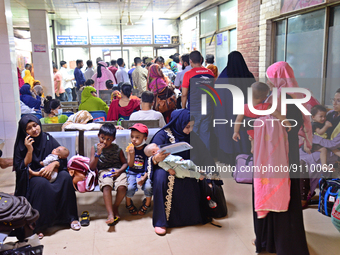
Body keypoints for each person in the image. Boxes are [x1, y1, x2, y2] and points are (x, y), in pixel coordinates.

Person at [252, 61, 310, 254]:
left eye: (270, 75)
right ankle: (288, 240)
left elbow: (269, 121)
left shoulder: (277, 97)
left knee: (270, 186)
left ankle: (269, 239)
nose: (268, 79)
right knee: (289, 191)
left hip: (274, 153)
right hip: (290, 150)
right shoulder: (300, 95)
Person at [146, 109, 219, 235]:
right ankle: (161, 221)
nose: (189, 130)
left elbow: (204, 154)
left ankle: (192, 216)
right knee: (160, 177)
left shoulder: (192, 136)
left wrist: (211, 176)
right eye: (187, 126)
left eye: (192, 126)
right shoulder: (162, 135)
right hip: (167, 167)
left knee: (196, 172)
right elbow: (151, 156)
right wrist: (156, 159)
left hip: (184, 166)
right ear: (178, 123)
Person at [13, 115, 80, 236]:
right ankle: (38, 225)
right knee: (41, 184)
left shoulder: (48, 139)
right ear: (24, 131)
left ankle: (70, 218)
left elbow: (63, 157)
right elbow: (20, 167)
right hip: (32, 176)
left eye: (35, 125)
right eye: (29, 128)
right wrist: (29, 150)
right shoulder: (21, 144)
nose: (34, 129)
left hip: (52, 171)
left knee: (65, 177)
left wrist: (54, 164)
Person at [214, 51, 256, 164]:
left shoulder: (222, 78)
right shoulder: (248, 76)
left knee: (229, 132)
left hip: (226, 113)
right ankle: (246, 155)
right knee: (244, 131)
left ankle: (231, 158)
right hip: (245, 112)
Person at [300, 89, 340, 207]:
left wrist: (312, 139)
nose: (334, 103)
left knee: (304, 162)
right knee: (295, 156)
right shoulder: (330, 114)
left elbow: (333, 144)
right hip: (321, 147)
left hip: (332, 151)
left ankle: (304, 196)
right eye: (334, 99)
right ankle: (299, 192)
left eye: (338, 101)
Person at [232, 82, 291, 153]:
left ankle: (253, 149)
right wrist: (286, 122)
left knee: (253, 140)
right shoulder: (265, 107)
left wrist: (236, 132)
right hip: (263, 133)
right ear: (265, 97)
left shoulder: (244, 108)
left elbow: (238, 120)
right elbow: (277, 114)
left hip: (252, 132)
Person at [89, 123, 128, 226]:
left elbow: (125, 163)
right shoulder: (95, 148)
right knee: (107, 186)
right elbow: (92, 167)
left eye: (109, 139)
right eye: (102, 138)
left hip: (118, 171)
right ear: (98, 136)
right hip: (104, 171)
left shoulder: (117, 149)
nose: (105, 141)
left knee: (122, 187)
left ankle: (115, 207)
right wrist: (98, 153)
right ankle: (110, 213)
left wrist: (119, 171)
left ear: (114, 139)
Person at [181, 50, 215, 151]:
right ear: (201, 60)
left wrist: (183, 108)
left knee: (194, 134)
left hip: (194, 109)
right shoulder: (210, 73)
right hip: (207, 107)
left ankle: (196, 158)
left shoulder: (188, 74)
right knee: (205, 133)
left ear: (190, 61)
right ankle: (206, 159)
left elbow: (184, 94)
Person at [125, 124, 152, 216]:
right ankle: (128, 203)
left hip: (145, 173)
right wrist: (131, 154)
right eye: (132, 137)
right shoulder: (130, 148)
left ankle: (147, 203)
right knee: (129, 188)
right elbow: (130, 165)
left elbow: (149, 166)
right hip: (132, 172)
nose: (133, 140)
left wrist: (144, 178)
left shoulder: (148, 149)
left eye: (137, 137)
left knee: (148, 187)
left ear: (145, 138)